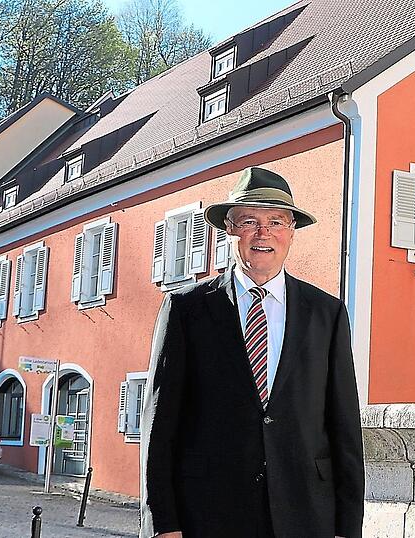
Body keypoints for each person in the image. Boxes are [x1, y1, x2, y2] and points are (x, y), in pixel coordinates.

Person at [139, 167, 364, 538]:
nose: (264, 233)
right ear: (228, 228)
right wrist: (163, 524)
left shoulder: (326, 313)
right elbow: (159, 425)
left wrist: (347, 527)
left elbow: (343, 426)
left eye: (276, 221)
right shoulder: (186, 309)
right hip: (207, 513)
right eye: (249, 221)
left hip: (305, 514)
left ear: (291, 231)